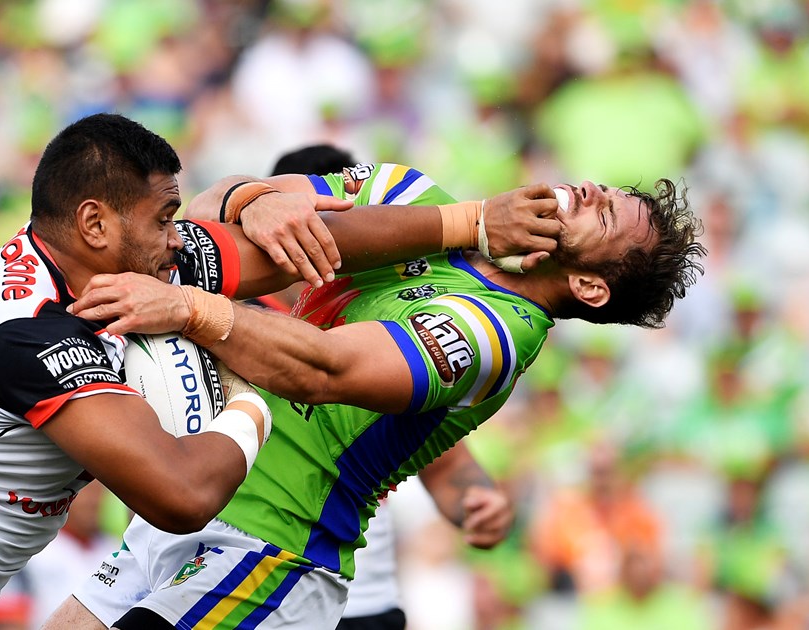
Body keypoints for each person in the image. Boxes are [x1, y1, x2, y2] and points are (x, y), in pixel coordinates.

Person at [0, 113, 562, 629]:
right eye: (165, 218)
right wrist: (249, 395)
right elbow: (181, 495)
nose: (181, 236)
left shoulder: (117, 269)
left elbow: (287, 252)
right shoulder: (32, 333)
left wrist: (470, 222)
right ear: (94, 222)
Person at [51, 163, 705, 629]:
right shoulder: (412, 193)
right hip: (180, 507)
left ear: (590, 289)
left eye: (605, 213)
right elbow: (201, 218)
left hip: (270, 549)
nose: (590, 191)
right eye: (604, 189)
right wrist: (253, 197)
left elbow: (326, 370)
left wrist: (189, 308)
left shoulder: (496, 334)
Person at [262, 145, 516, 630]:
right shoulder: (239, 324)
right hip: (251, 574)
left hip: (362, 603)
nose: (341, 238)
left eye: (354, 220)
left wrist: (478, 501)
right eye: (325, 220)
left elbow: (444, 464)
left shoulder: (389, 320)